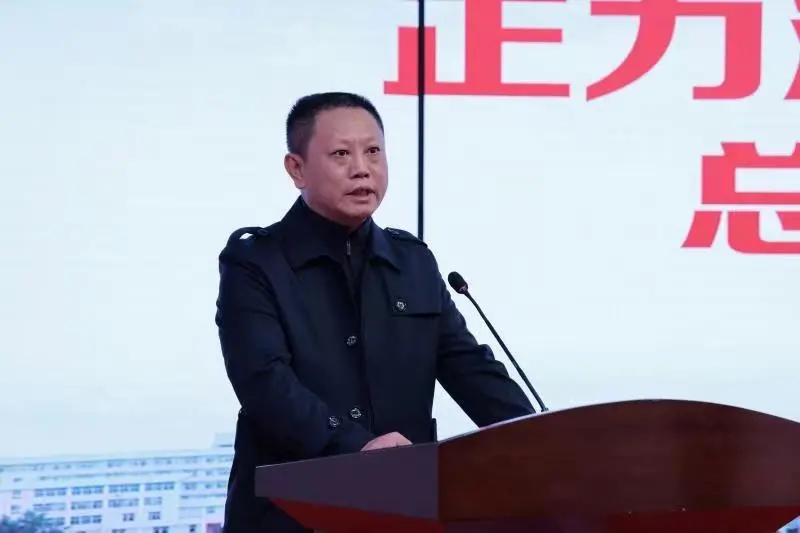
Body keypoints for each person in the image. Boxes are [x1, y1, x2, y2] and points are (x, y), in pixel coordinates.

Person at [214, 91, 535, 533]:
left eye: (373, 152)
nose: (362, 169)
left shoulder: (412, 261)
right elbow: (264, 383)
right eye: (341, 154)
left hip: (402, 511)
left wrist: (539, 441)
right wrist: (355, 448)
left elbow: (470, 368)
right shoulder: (255, 264)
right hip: (290, 515)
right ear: (296, 169)